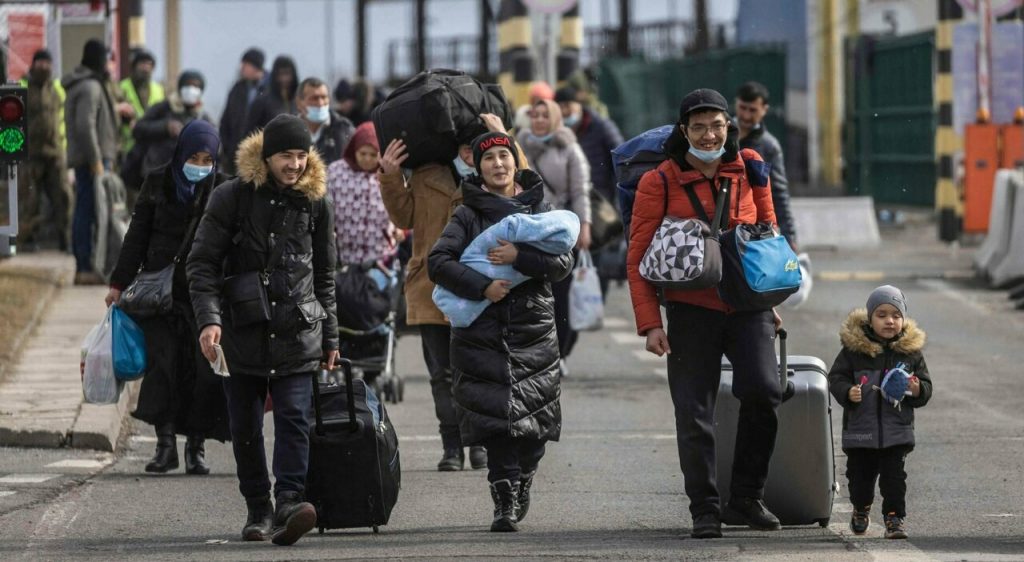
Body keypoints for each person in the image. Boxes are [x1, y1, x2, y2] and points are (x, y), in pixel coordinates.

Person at [626, 88, 783, 539]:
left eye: (716, 126)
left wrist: (770, 302)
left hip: (748, 306)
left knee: (765, 393)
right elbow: (638, 256)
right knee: (693, 410)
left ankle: (748, 496)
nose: (709, 135)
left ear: (728, 127)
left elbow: (770, 236)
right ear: (684, 131)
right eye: (699, 127)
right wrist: (650, 322)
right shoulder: (659, 181)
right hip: (691, 310)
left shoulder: (750, 168)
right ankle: (705, 508)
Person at [187, 114, 338, 546]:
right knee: (246, 425)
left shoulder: (318, 204)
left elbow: (326, 276)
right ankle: (258, 507)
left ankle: (290, 502)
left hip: (299, 329)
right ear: (266, 156)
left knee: (294, 417)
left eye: (300, 156)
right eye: (285, 157)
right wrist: (209, 321)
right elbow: (202, 263)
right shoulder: (231, 197)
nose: (294, 165)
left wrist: (331, 338)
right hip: (241, 330)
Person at [427, 131, 573, 533]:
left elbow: (562, 263)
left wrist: (519, 257)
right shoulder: (466, 213)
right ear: (477, 166)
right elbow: (437, 262)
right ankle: (504, 497)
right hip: (481, 330)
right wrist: (482, 286)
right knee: (496, 424)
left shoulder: (539, 208)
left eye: (504, 157)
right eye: (488, 159)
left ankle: (524, 476)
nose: (497, 165)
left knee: (535, 427)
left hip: (533, 328)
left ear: (515, 163)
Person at [378, 113, 518, 472]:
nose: (474, 158)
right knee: (441, 373)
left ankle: (480, 443)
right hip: (431, 286)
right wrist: (391, 176)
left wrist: (505, 138)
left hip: (482, 287)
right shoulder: (427, 177)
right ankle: (451, 445)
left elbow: (526, 188)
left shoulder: (494, 180)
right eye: (467, 151)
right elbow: (402, 218)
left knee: (477, 370)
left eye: (479, 150)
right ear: (457, 150)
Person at [106, 120, 230, 475]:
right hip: (159, 297)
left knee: (203, 373)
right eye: (195, 156)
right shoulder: (157, 181)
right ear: (181, 153)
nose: (201, 164)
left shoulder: (222, 188)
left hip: (204, 297)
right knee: (164, 368)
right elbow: (137, 236)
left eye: (208, 158)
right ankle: (165, 445)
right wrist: (118, 283)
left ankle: (196, 447)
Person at [827, 285, 932, 540]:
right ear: (870, 318)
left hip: (896, 433)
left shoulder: (910, 354)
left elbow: (926, 387)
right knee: (859, 479)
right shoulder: (854, 351)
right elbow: (836, 377)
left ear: (903, 320)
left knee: (894, 480)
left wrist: (917, 389)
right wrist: (847, 392)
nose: (890, 321)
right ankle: (861, 508)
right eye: (882, 314)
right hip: (861, 433)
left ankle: (894, 518)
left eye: (896, 316)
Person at [517, 99, 591, 376]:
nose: (537, 120)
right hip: (529, 230)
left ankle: (560, 352)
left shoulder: (568, 147)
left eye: (544, 115)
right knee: (531, 296)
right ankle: (532, 353)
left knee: (562, 297)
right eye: (533, 115)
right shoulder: (520, 147)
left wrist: (584, 225)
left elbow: (581, 189)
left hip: (562, 232)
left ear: (555, 118)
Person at [63, 39, 122, 285]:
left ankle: (87, 265)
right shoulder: (90, 87)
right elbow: (85, 126)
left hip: (91, 159)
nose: (109, 64)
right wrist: (97, 160)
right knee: (89, 213)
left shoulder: (90, 84)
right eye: (106, 58)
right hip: (92, 162)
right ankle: (85, 266)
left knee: (88, 211)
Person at [556, 85, 624, 296]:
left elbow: (620, 159)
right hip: (565, 207)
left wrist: (616, 198)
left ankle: (591, 302)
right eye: (561, 107)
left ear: (579, 105)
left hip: (598, 204)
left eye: (568, 105)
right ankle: (571, 315)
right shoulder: (555, 131)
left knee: (595, 259)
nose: (565, 111)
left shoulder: (601, 126)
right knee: (567, 264)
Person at [18, 49, 70, 252]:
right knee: (29, 200)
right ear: (33, 64)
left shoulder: (57, 88)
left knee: (63, 198)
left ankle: (65, 240)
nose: (44, 67)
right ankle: (27, 240)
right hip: (30, 154)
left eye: (47, 63)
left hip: (56, 153)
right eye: (40, 63)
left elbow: (64, 120)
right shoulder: (22, 86)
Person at [734, 81, 797, 250]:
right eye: (743, 108)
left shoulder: (769, 147)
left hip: (752, 227)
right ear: (736, 104)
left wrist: (789, 237)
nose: (746, 115)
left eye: (752, 110)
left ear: (764, 110)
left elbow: (779, 193)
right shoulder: (719, 136)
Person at [327, 121, 395, 266]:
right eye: (362, 153)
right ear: (354, 150)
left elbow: (401, 206)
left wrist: (401, 230)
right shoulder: (336, 172)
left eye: (372, 155)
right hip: (342, 259)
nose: (367, 159)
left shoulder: (389, 174)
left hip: (380, 260)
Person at [132, 70, 213, 179]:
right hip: (157, 172)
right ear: (180, 87)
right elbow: (139, 129)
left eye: (195, 86)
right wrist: (165, 127)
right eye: (188, 85)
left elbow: (216, 146)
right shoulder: (164, 108)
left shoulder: (203, 117)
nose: (191, 90)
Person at [220, 48, 267, 175]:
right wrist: (226, 148)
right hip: (235, 155)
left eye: (245, 64)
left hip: (260, 155)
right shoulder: (237, 89)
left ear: (255, 66)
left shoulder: (270, 90)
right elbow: (225, 121)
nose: (242, 68)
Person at [297, 77, 355, 166]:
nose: (320, 103)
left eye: (324, 97)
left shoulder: (344, 130)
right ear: (299, 102)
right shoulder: (290, 130)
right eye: (314, 98)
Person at [119, 48, 165, 155]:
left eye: (149, 64)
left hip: (152, 147)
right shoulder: (122, 87)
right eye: (142, 64)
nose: (145, 68)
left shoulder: (158, 89)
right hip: (129, 145)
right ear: (134, 67)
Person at [244, 55, 299, 136]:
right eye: (281, 74)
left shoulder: (300, 101)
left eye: (287, 74)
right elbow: (249, 134)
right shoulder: (262, 102)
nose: (284, 79)